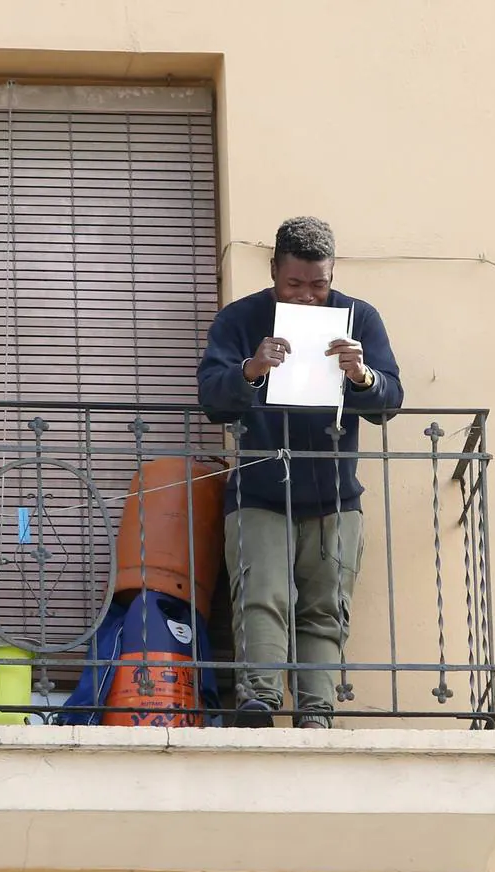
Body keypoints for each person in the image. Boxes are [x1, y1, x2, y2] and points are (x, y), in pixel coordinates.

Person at [197, 216, 403, 728]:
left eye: (319, 285)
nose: (308, 297)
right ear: (273, 272)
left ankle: (316, 711)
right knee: (260, 596)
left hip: (335, 493)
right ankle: (258, 702)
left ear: (331, 275)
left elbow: (390, 400)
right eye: (294, 285)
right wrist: (250, 370)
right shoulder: (240, 319)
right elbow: (211, 399)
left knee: (327, 607)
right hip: (260, 490)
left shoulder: (359, 317)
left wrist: (361, 376)